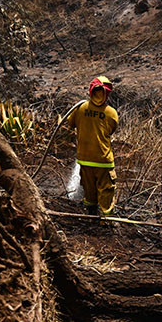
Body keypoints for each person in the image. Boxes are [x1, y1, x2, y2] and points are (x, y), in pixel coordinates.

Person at [68, 75, 119, 216]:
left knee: (89, 191)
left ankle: (91, 216)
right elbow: (111, 130)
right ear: (107, 93)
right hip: (103, 161)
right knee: (106, 191)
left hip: (84, 159)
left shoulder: (80, 108)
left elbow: (70, 123)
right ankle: (106, 221)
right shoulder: (111, 113)